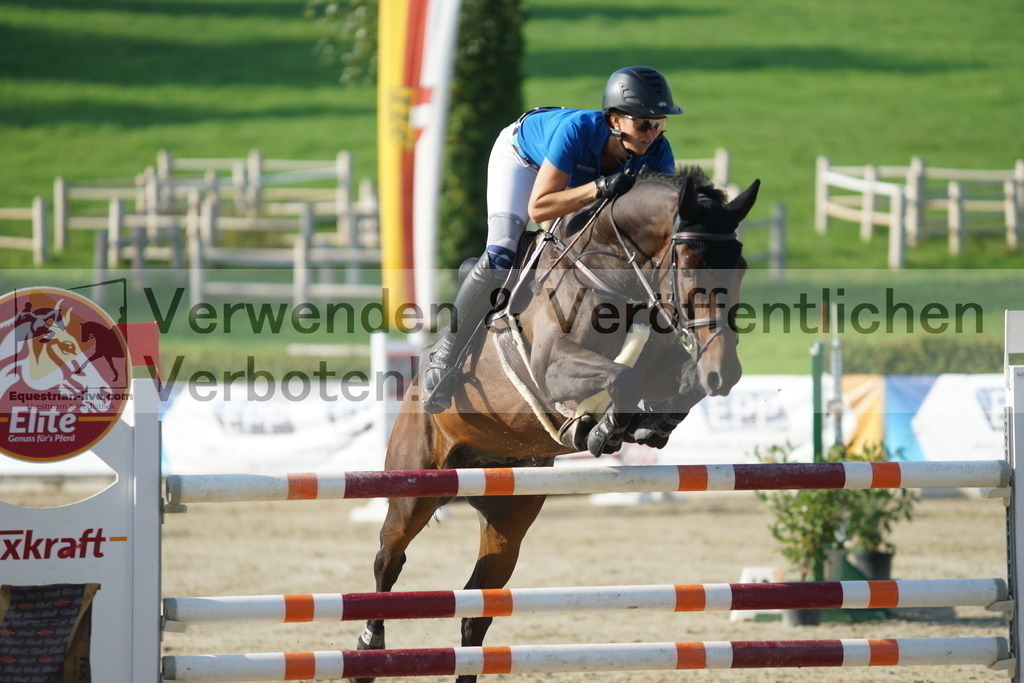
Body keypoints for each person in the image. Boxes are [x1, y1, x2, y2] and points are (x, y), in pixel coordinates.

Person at [422, 65, 684, 414]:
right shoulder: (576, 131)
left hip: (575, 179)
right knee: (501, 254)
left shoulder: (659, 152)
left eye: (659, 123)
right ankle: (446, 357)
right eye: (643, 123)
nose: (653, 133)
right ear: (615, 120)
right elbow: (541, 208)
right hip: (523, 161)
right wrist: (599, 188)